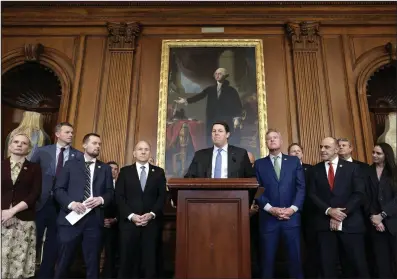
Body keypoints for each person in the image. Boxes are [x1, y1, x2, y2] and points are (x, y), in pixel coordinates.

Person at [54, 133, 114, 279]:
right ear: (84, 145)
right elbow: (58, 189)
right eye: (94, 143)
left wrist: (101, 199)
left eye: (99, 144)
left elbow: (110, 192)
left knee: (92, 263)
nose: (98, 146)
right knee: (63, 261)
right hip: (71, 219)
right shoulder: (70, 164)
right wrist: (71, 204)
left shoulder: (105, 168)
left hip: (94, 220)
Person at [309, 137, 369, 278]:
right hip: (324, 226)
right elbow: (311, 194)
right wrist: (329, 211)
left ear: (336, 149)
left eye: (327, 147)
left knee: (357, 266)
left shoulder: (353, 168)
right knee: (327, 268)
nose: (322, 150)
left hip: (351, 224)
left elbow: (359, 194)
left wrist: (341, 213)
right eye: (321, 146)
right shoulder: (315, 170)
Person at [30, 122, 82, 278]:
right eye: (67, 132)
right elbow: (31, 175)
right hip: (40, 203)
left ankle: (45, 275)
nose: (71, 135)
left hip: (62, 206)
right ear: (57, 134)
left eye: (72, 132)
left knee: (53, 243)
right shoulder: (41, 151)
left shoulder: (78, 156)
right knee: (34, 241)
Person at [255, 129, 305, 279]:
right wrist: (271, 209)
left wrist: (292, 209)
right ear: (266, 143)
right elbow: (257, 191)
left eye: (275, 137)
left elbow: (301, 187)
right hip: (269, 220)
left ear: (281, 141)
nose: (272, 140)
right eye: (269, 138)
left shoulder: (293, 161)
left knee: (295, 260)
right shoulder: (259, 164)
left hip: (292, 218)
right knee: (267, 261)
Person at [116, 140, 167, 279]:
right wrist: (131, 216)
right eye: (140, 149)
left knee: (150, 263)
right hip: (129, 225)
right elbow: (119, 197)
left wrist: (151, 214)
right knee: (128, 262)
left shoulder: (158, 172)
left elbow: (162, 197)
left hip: (151, 225)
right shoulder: (125, 171)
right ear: (134, 153)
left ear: (150, 153)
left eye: (146, 149)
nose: (143, 151)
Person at [1, 133, 42, 278]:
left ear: (29, 148)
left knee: (19, 262)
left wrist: (11, 211)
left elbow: (34, 194)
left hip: (24, 220)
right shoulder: (1, 165)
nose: (19, 145)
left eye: (24, 143)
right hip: (1, 219)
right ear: (10, 145)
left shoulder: (35, 168)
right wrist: (3, 212)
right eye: (16, 142)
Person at [175, 68, 243, 145]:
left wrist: (237, 118)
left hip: (226, 119)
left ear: (225, 76)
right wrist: (186, 100)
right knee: (211, 140)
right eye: (216, 74)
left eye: (220, 74)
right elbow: (200, 96)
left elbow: (237, 104)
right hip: (212, 118)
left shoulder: (231, 90)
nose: (217, 75)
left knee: (225, 140)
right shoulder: (211, 89)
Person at [337, 137, 372, 278]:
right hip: (338, 219)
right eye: (338, 145)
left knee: (362, 259)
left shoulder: (363, 167)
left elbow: (366, 192)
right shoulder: (330, 168)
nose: (341, 148)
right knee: (345, 262)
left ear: (351, 148)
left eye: (344, 145)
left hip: (360, 217)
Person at [367, 143, 397, 278]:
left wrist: (383, 215)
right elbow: (365, 196)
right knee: (381, 263)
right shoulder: (366, 171)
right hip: (375, 225)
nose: (374, 155)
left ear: (386, 155)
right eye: (373, 152)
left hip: (393, 222)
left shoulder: (394, 171)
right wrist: (374, 217)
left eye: (378, 153)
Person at [184, 121, 254, 178]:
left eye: (220, 131)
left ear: (227, 134)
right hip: (206, 194)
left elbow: (250, 178)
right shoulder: (200, 155)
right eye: (214, 131)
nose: (216, 133)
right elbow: (189, 178)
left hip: (233, 194)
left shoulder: (240, 154)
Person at [287, 143, 317, 278]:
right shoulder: (285, 169)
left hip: (310, 212)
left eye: (298, 151)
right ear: (289, 155)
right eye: (293, 151)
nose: (296, 153)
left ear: (302, 154)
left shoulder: (310, 169)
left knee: (311, 243)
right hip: (292, 211)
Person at [101, 161, 120, 278]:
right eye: (111, 168)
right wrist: (102, 220)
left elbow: (124, 205)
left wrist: (115, 219)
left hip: (116, 225)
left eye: (116, 169)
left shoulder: (121, 185)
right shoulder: (99, 185)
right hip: (100, 223)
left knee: (112, 254)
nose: (113, 171)